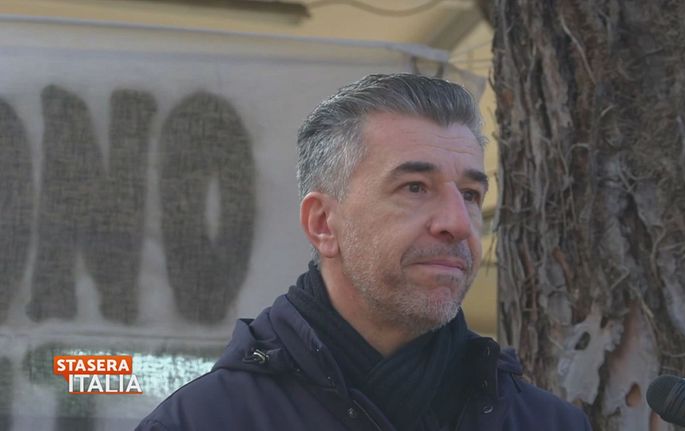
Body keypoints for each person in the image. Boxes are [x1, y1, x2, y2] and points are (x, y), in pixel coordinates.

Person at [136, 73, 592, 431]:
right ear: (323, 223)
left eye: (471, 194)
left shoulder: (546, 423)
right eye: (415, 187)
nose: (457, 222)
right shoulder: (205, 422)